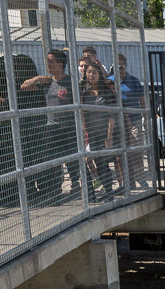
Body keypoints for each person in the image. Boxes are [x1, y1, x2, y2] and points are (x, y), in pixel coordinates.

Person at [20, 48, 79, 202]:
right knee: (53, 162)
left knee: (73, 161)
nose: (48, 64)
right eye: (47, 61)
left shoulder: (70, 82)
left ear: (60, 64)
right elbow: (23, 87)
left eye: (51, 61)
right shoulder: (47, 82)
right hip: (52, 127)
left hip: (69, 128)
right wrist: (38, 78)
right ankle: (54, 192)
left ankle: (78, 187)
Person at [79, 58, 119, 200]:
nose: (91, 75)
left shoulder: (106, 91)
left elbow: (112, 116)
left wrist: (109, 136)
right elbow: (82, 112)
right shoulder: (84, 91)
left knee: (103, 164)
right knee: (89, 162)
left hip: (103, 133)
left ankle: (109, 192)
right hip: (91, 133)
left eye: (94, 72)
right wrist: (84, 130)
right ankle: (91, 194)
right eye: (89, 72)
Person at [116, 54, 146, 188]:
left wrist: (145, 117)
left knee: (136, 151)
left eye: (121, 66)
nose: (119, 69)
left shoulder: (134, 81)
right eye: (116, 67)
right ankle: (125, 181)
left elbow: (142, 100)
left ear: (125, 66)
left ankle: (141, 178)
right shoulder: (110, 81)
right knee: (120, 154)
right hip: (119, 123)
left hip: (134, 120)